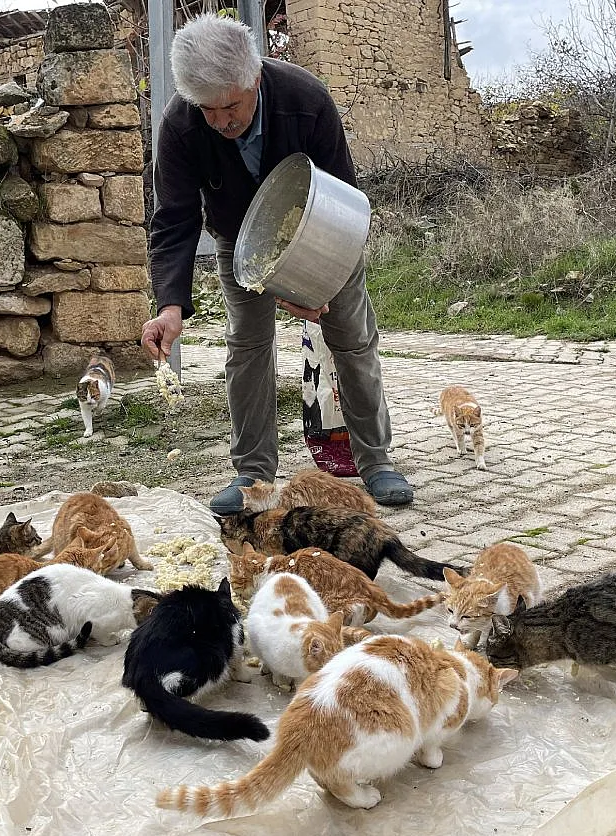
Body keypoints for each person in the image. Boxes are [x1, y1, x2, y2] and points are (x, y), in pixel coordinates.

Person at [139, 14, 414, 514]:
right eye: (209, 110)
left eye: (231, 107)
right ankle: (252, 473)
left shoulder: (306, 100)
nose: (221, 121)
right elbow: (174, 220)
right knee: (246, 348)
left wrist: (318, 280)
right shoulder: (181, 124)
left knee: (352, 339)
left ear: (255, 80)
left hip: (328, 232)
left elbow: (344, 196)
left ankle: (375, 462)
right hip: (240, 242)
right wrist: (170, 305)